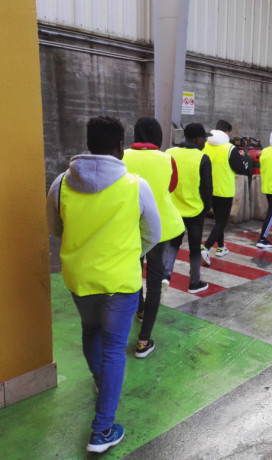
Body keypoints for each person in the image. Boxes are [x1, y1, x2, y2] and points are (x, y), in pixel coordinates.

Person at [46, 116, 161, 453]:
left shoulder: (62, 183)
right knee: (114, 349)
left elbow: (55, 228)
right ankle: (102, 430)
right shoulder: (135, 185)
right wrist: (130, 252)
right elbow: (153, 232)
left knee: (91, 333)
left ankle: (101, 384)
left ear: (88, 143)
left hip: (80, 281)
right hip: (120, 284)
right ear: (120, 147)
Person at [123, 117, 185, 358]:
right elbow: (171, 187)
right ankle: (143, 341)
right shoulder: (168, 158)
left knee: (135, 271)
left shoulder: (123, 156)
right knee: (155, 279)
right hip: (160, 228)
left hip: (131, 226)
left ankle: (139, 310)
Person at [163, 123, 213, 293]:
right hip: (195, 210)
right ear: (198, 139)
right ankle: (194, 282)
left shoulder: (169, 153)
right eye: (204, 138)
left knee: (173, 243)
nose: (205, 141)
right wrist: (206, 207)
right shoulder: (202, 158)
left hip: (172, 209)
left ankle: (165, 275)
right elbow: (207, 188)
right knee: (194, 247)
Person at [202, 119, 249, 260]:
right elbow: (241, 168)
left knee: (218, 219)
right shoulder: (230, 149)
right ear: (227, 132)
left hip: (208, 189)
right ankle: (206, 247)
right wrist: (244, 158)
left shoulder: (205, 145)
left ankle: (221, 247)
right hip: (224, 190)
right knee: (222, 221)